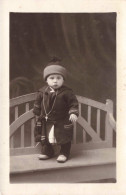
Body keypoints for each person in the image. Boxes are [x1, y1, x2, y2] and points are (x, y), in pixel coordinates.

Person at [33, 57, 79, 163]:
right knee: (46, 137)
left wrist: (73, 113)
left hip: (62, 121)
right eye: (52, 78)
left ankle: (64, 152)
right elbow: (37, 103)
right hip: (47, 120)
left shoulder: (67, 92)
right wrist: (37, 113)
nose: (55, 81)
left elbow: (73, 104)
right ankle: (47, 151)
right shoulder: (42, 92)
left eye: (58, 78)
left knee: (64, 138)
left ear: (63, 80)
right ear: (46, 80)